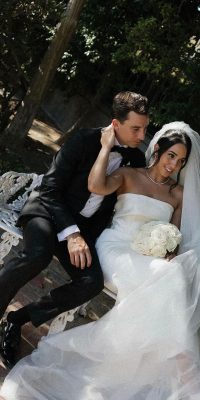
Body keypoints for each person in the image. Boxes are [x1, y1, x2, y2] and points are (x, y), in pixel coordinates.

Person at [0, 122, 200, 399]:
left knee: (173, 275)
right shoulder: (129, 174)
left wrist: (167, 251)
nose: (173, 165)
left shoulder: (177, 194)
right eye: (171, 156)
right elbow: (96, 184)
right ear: (157, 150)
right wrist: (106, 147)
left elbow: (174, 238)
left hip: (146, 258)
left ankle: (176, 368)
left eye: (180, 161)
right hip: (114, 248)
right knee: (168, 284)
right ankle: (189, 376)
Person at [0, 91, 149, 369]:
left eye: (145, 128)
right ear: (116, 124)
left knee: (91, 281)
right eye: (136, 128)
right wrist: (73, 234)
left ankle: (17, 320)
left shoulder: (136, 161)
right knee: (37, 254)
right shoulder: (82, 140)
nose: (142, 135)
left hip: (84, 233)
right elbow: (50, 190)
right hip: (47, 214)